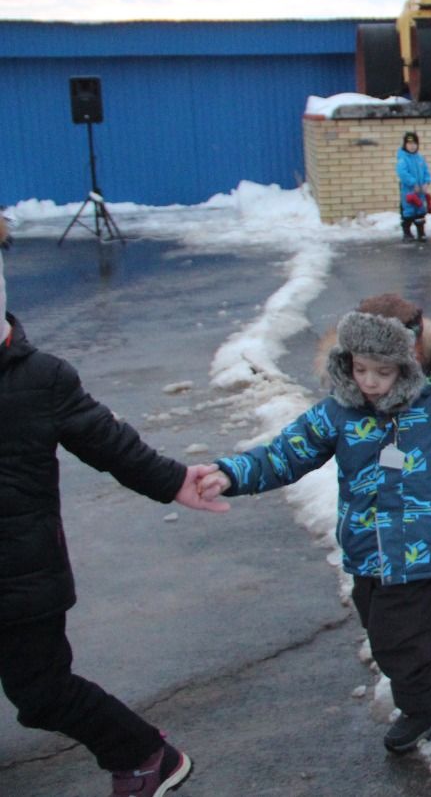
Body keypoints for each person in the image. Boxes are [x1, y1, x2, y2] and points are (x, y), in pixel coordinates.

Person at [198, 300, 431, 754]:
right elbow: (284, 454)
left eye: (382, 371)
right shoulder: (339, 413)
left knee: (396, 640)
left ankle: (427, 704)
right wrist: (230, 474)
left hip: (419, 546)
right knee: (384, 618)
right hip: (366, 546)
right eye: (359, 368)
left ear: (408, 363)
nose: (368, 382)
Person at [0, 216, 227, 796]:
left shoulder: (40, 377)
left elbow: (109, 443)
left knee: (42, 693)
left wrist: (174, 479)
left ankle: (146, 754)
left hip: (21, 577)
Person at [396, 130, 431, 243]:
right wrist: (413, 183)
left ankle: (421, 233)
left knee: (420, 212)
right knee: (408, 212)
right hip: (409, 192)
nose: (412, 146)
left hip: (420, 191)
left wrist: (426, 182)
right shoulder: (403, 159)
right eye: (409, 144)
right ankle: (407, 233)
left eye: (414, 144)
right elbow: (402, 173)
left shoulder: (420, 158)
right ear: (405, 145)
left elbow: (426, 171)